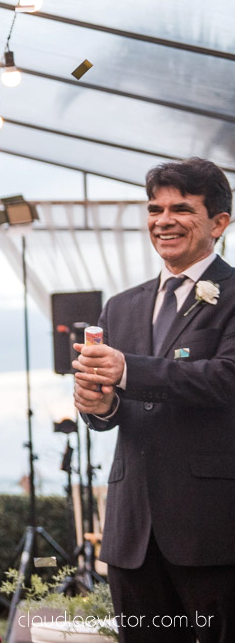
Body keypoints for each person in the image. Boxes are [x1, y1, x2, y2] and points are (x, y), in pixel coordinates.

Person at [73, 157, 234, 643]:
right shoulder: (120, 306)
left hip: (214, 531)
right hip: (131, 532)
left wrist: (129, 370)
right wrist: (97, 407)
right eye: (154, 209)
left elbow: (226, 378)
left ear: (219, 222)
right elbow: (116, 411)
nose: (163, 220)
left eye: (181, 209)